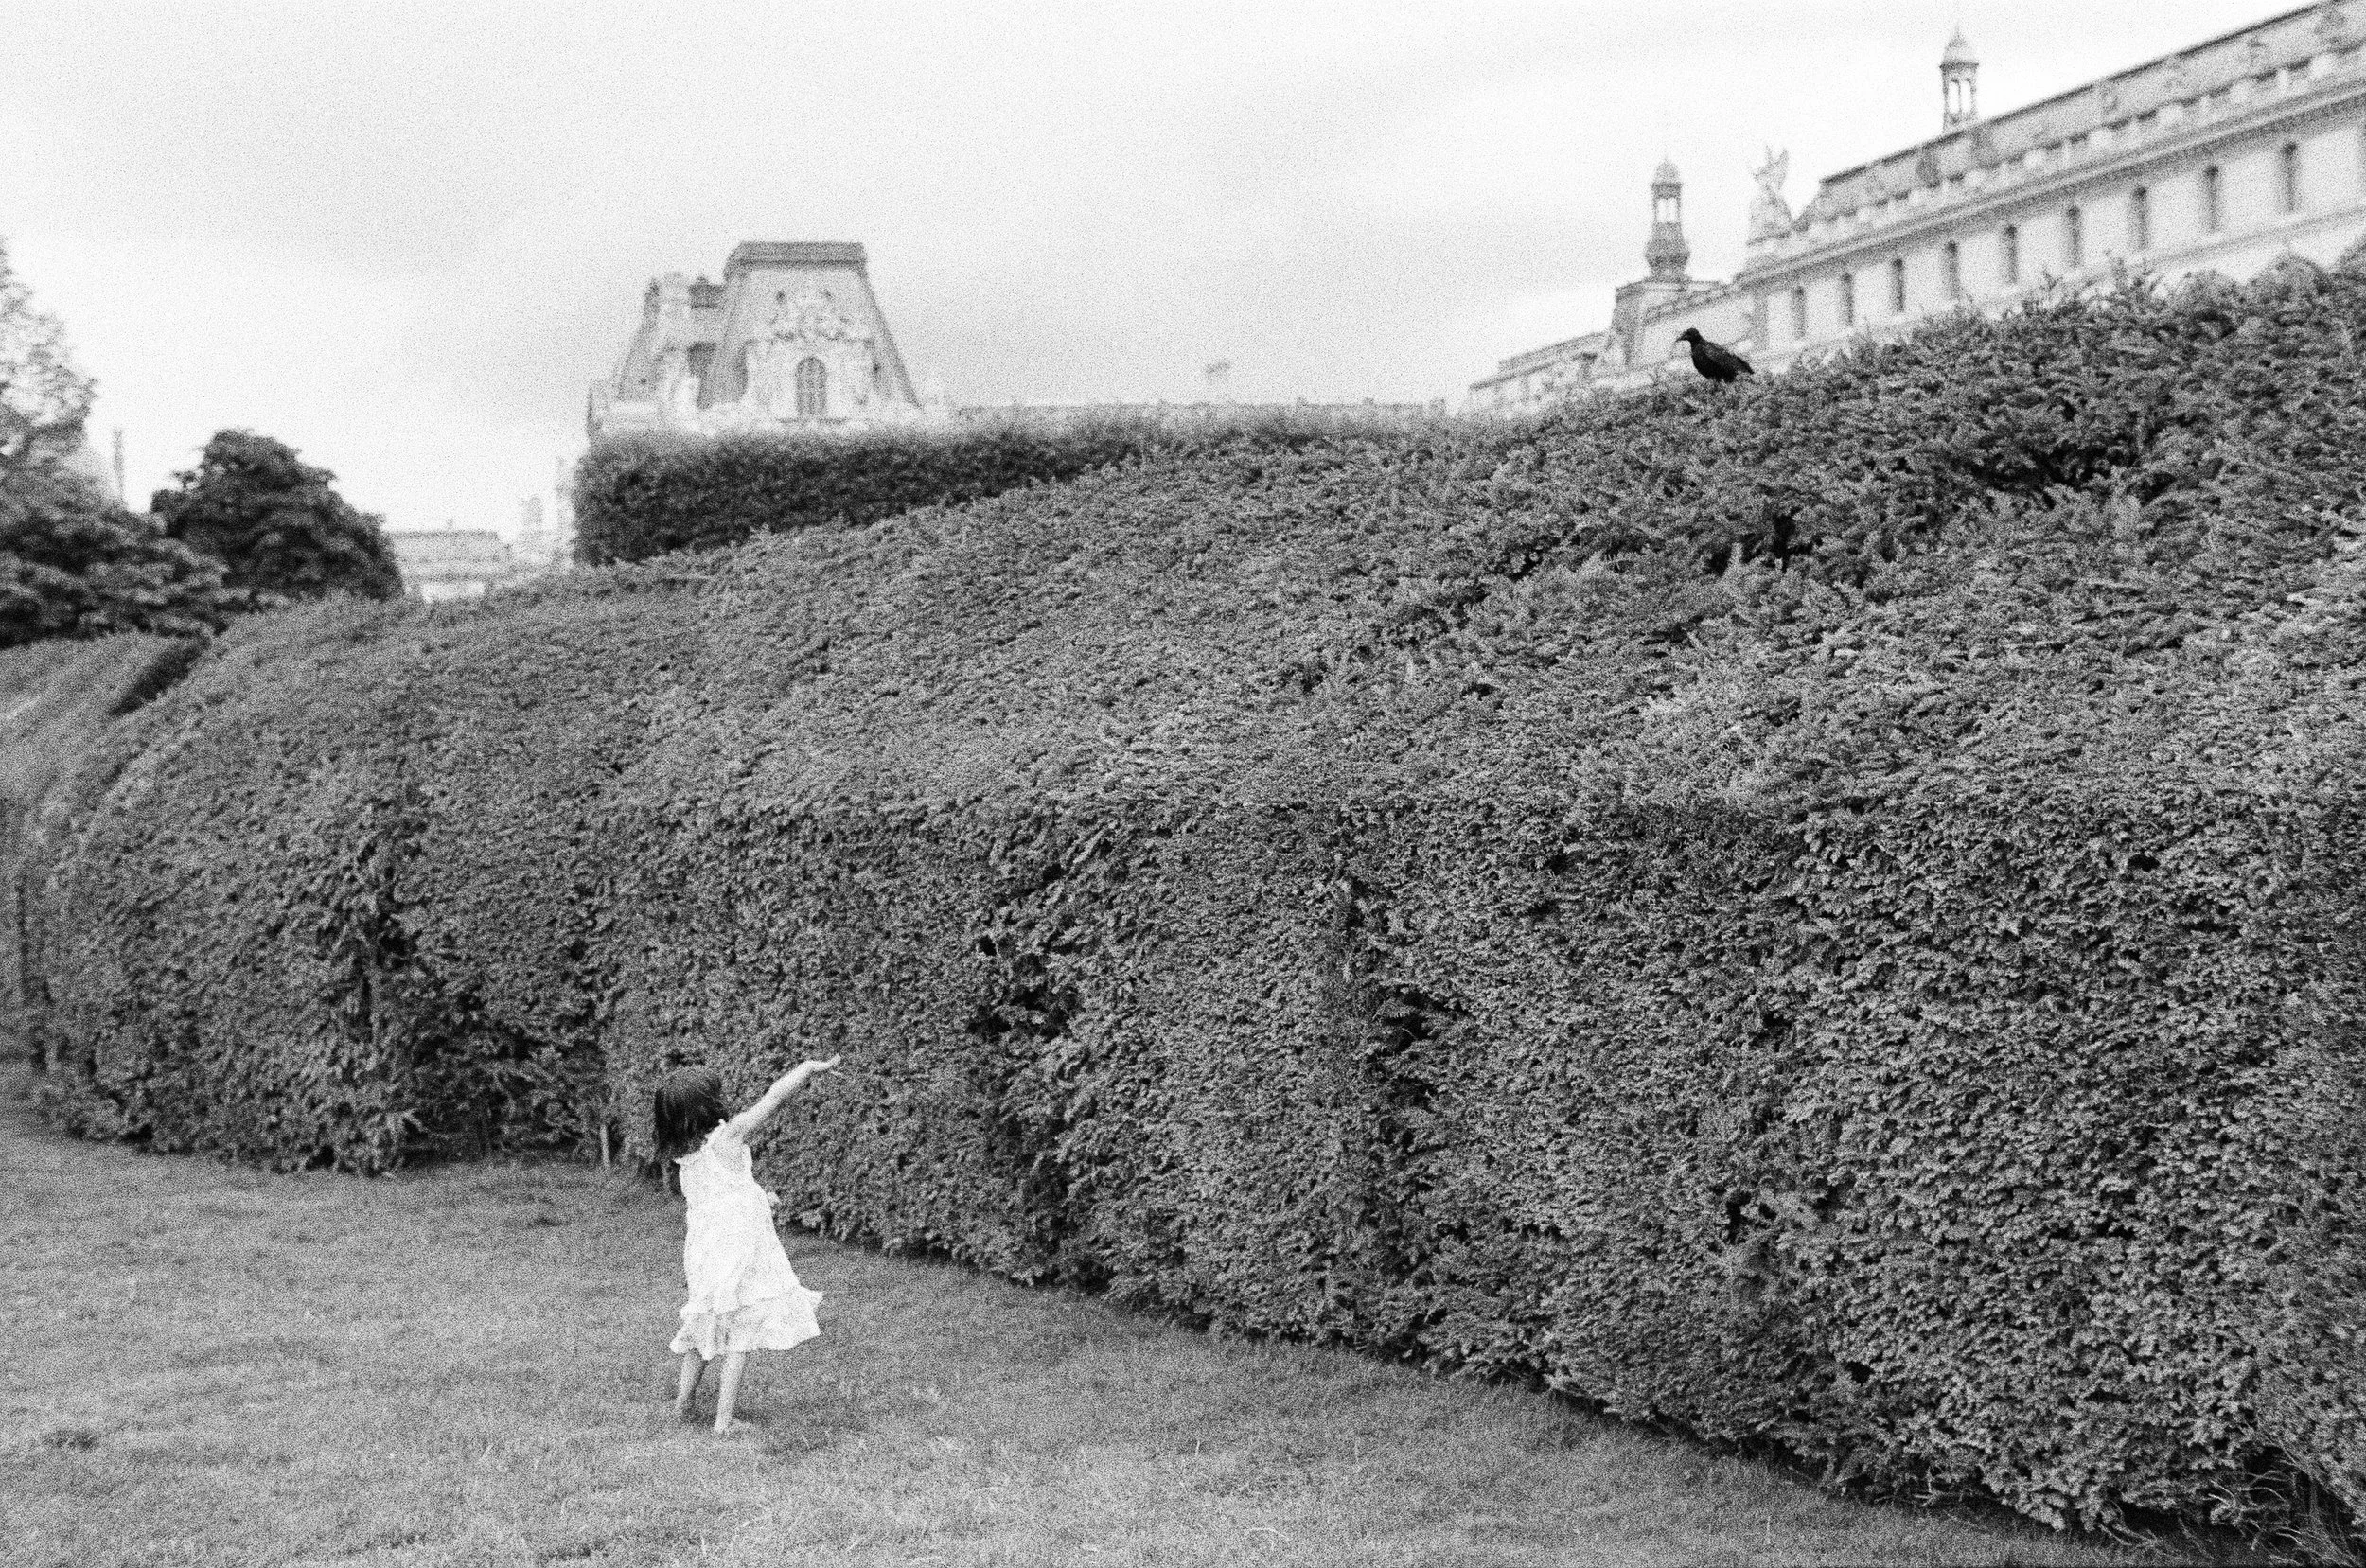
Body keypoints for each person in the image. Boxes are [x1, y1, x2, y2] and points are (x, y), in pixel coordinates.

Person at [653, 1057, 840, 1434]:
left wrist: (758, 1196)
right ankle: (724, 1421)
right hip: (738, 1250)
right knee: (739, 1329)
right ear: (708, 1105)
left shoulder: (687, 1154)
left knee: (705, 1321)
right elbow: (773, 1099)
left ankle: (682, 1405)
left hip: (705, 1250)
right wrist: (805, 1069)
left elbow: (721, 1195)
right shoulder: (728, 1137)